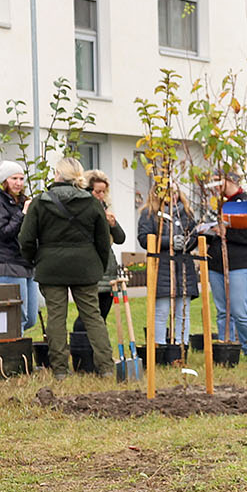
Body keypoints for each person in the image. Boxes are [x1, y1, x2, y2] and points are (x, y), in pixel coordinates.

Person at [19, 156, 114, 377]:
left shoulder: (40, 202)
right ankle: (107, 368)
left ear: (58, 174)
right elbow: (103, 239)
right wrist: (97, 264)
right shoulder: (91, 202)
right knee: (93, 317)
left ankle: (60, 370)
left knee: (56, 318)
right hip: (86, 267)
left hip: (51, 267)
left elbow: (26, 239)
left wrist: (35, 259)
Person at [199, 173, 247, 347]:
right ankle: (226, 346)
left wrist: (228, 233)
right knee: (222, 311)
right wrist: (206, 231)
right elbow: (207, 231)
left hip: (240, 265)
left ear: (229, 180)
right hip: (216, 265)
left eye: (217, 181)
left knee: (239, 310)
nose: (214, 186)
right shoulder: (216, 205)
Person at [135, 185, 199, 346]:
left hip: (183, 267)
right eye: (169, 193)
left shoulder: (186, 213)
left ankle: (181, 346)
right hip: (161, 267)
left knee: (182, 312)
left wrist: (187, 242)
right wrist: (168, 242)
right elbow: (144, 238)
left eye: (176, 192)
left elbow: (195, 235)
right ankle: (160, 346)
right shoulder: (149, 213)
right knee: (161, 311)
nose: (174, 196)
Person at [85, 170, 128, 326]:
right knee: (89, 317)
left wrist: (113, 225)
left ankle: (94, 349)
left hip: (108, 270)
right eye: (98, 191)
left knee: (102, 315)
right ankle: (80, 347)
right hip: (92, 269)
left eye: (104, 192)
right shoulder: (84, 210)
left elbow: (121, 238)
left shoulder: (106, 209)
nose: (101, 195)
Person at [0, 160, 38, 337]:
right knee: (16, 318)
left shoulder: (24, 201)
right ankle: (14, 358)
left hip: (27, 263)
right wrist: (22, 213)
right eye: (14, 178)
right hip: (9, 264)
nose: (19, 182)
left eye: (21, 178)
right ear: (4, 181)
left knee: (31, 318)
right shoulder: (2, 203)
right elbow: (4, 233)